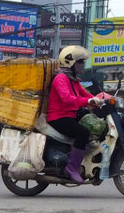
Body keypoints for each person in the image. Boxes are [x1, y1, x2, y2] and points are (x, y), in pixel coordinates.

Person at [45, 45, 105, 184]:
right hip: (58, 117)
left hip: (69, 115)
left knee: (92, 122)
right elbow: (67, 99)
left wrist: (99, 100)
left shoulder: (73, 79)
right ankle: (72, 168)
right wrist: (89, 101)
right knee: (82, 132)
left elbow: (84, 94)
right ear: (70, 62)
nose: (82, 65)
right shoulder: (61, 79)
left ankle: (84, 155)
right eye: (80, 62)